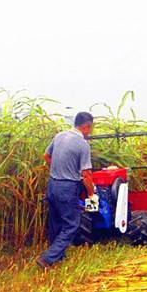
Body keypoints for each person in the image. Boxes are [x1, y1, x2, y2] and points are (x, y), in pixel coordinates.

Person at [37, 112, 98, 268]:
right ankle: (48, 258)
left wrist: (58, 169)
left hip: (53, 184)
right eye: (91, 128)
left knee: (55, 222)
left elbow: (46, 156)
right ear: (87, 126)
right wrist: (92, 195)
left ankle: (58, 255)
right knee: (72, 224)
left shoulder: (60, 136)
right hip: (68, 187)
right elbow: (86, 174)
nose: (90, 132)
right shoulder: (82, 144)